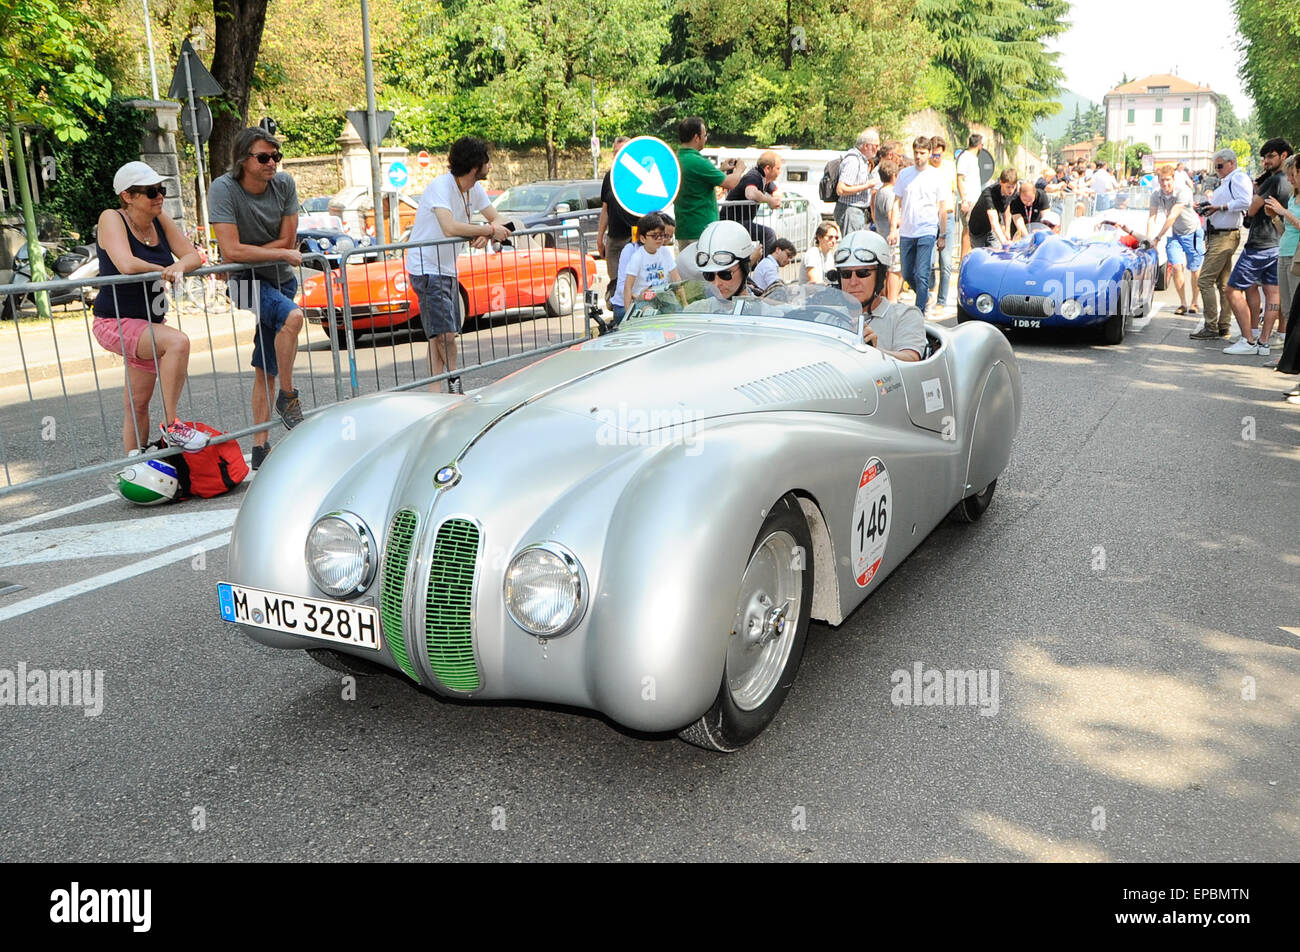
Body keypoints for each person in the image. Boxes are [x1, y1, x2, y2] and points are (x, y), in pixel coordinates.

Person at [209, 127, 308, 470]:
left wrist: (243, 255)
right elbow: (232, 249)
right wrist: (242, 258)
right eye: (264, 157)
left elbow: (287, 239)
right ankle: (289, 395)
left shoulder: (284, 184)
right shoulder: (223, 189)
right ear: (243, 160)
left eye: (276, 156)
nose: (272, 163)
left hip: (280, 279)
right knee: (293, 317)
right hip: (244, 283)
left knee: (264, 369)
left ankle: (260, 448)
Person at [93, 161, 207, 456]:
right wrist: (164, 269)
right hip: (115, 321)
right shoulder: (111, 218)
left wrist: (178, 266)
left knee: (137, 402)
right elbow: (126, 263)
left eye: (161, 190)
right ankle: (173, 425)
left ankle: (135, 463)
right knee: (177, 342)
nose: (159, 197)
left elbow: (193, 256)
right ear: (128, 196)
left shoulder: (160, 219)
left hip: (148, 324)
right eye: (150, 192)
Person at [403, 136, 511, 393]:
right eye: (487, 161)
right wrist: (486, 230)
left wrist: (489, 232)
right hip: (427, 268)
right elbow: (449, 227)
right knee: (445, 334)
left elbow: (498, 218)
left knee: (438, 334)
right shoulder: (441, 186)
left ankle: (435, 392)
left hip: (446, 268)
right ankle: (454, 385)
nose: (489, 166)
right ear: (476, 165)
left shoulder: (474, 189)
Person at [1223, 138, 1293, 356]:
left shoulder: (1274, 181)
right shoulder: (1289, 181)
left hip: (1260, 243)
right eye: (1264, 157)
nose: (1265, 161)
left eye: (1270, 156)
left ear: (1283, 156)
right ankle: (1263, 342)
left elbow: (1253, 208)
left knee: (1232, 289)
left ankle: (1248, 340)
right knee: (1272, 292)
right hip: (1277, 243)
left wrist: (1256, 197)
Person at [827, 230, 925, 361]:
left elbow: (911, 358)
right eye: (846, 274)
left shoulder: (904, 315)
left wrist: (872, 350)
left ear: (880, 277)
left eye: (862, 273)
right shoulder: (828, 317)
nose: (853, 281)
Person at [1191, 148, 1254, 341]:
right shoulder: (1230, 180)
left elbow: (1246, 201)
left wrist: (1219, 207)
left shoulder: (1238, 178)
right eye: (1215, 166)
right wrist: (1209, 207)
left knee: (1205, 280)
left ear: (1231, 163)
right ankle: (1222, 325)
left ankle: (1211, 326)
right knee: (1223, 283)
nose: (1217, 169)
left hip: (1224, 236)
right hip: (1220, 235)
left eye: (1219, 166)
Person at [894, 136, 948, 314]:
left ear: (929, 153)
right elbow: (896, 202)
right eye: (916, 153)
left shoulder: (936, 176)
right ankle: (925, 297)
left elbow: (942, 208)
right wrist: (894, 226)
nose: (918, 157)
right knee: (908, 273)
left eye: (922, 153)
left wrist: (942, 234)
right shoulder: (905, 174)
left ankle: (919, 312)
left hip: (927, 230)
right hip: (907, 231)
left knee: (922, 273)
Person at [674, 117, 746, 250]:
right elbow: (730, 183)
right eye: (705, 135)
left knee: (687, 269)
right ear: (696, 137)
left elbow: (696, 180)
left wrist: (721, 170)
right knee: (705, 270)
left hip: (683, 228)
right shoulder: (698, 161)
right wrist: (740, 169)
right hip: (701, 229)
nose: (705, 139)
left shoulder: (676, 159)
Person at [1147, 166, 1205, 315]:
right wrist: (1149, 240)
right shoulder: (1156, 194)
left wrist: (1158, 237)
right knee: (1176, 267)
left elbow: (1172, 216)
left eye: (1168, 180)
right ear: (1158, 181)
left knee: (1194, 269)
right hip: (1175, 234)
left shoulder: (1183, 191)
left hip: (1192, 232)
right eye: (1162, 180)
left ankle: (1194, 302)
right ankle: (1183, 303)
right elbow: (1151, 218)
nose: (1165, 184)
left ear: (1173, 179)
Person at [596, 135, 636, 307]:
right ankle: (618, 315)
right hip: (615, 237)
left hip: (636, 236)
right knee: (615, 282)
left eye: (622, 152)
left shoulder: (638, 176)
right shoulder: (609, 177)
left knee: (635, 279)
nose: (618, 155)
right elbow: (605, 209)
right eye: (615, 152)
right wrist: (600, 237)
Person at [1264, 154, 1299, 346]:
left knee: (1295, 306)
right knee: (1286, 308)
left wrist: (1283, 211)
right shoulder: (1294, 198)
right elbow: (1285, 231)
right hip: (1284, 253)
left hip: (1297, 256)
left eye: (1292, 174)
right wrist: (1275, 217)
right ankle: (1287, 355)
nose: (1290, 179)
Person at [721, 149, 783, 254]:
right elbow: (750, 193)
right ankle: (764, 268)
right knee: (769, 234)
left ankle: (756, 264)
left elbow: (777, 192)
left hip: (740, 222)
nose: (780, 172)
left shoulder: (764, 179)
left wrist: (776, 199)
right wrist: (769, 200)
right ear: (768, 168)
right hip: (732, 222)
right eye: (778, 168)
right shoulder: (754, 176)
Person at [620, 212, 682, 308]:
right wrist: (628, 313)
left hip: (663, 297)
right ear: (643, 238)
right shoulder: (637, 257)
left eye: (662, 235)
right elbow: (627, 287)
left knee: (677, 310)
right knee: (648, 311)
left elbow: (677, 279)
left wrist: (684, 303)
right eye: (654, 236)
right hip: (643, 299)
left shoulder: (665, 252)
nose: (659, 239)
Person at [693, 220, 759, 301]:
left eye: (725, 274)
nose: (717, 284)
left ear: (745, 267)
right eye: (709, 275)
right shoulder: (696, 309)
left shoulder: (764, 312)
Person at [928, 135, 958, 309]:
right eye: (933, 155)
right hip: (931, 216)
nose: (935, 158)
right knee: (930, 261)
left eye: (938, 155)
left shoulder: (949, 167)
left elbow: (952, 191)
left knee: (946, 262)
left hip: (947, 215)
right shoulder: (926, 169)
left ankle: (942, 300)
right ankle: (930, 291)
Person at [834, 129, 880, 235]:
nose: (877, 149)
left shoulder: (862, 161)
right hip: (850, 210)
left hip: (856, 211)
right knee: (852, 246)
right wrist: (867, 185)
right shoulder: (853, 161)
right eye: (875, 146)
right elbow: (841, 189)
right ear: (865, 146)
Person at [872, 159, 902, 301]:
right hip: (891, 238)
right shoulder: (889, 193)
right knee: (894, 270)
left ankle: (886, 298)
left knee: (888, 270)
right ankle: (892, 300)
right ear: (894, 175)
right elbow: (893, 218)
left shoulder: (879, 192)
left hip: (881, 235)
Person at [967, 168, 1018, 249]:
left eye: (1013, 187)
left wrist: (1007, 231)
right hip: (978, 229)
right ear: (1001, 182)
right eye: (1008, 187)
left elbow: (1007, 209)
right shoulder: (989, 194)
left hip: (991, 230)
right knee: (981, 256)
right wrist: (1004, 242)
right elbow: (993, 220)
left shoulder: (1013, 191)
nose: (1011, 191)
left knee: (997, 252)